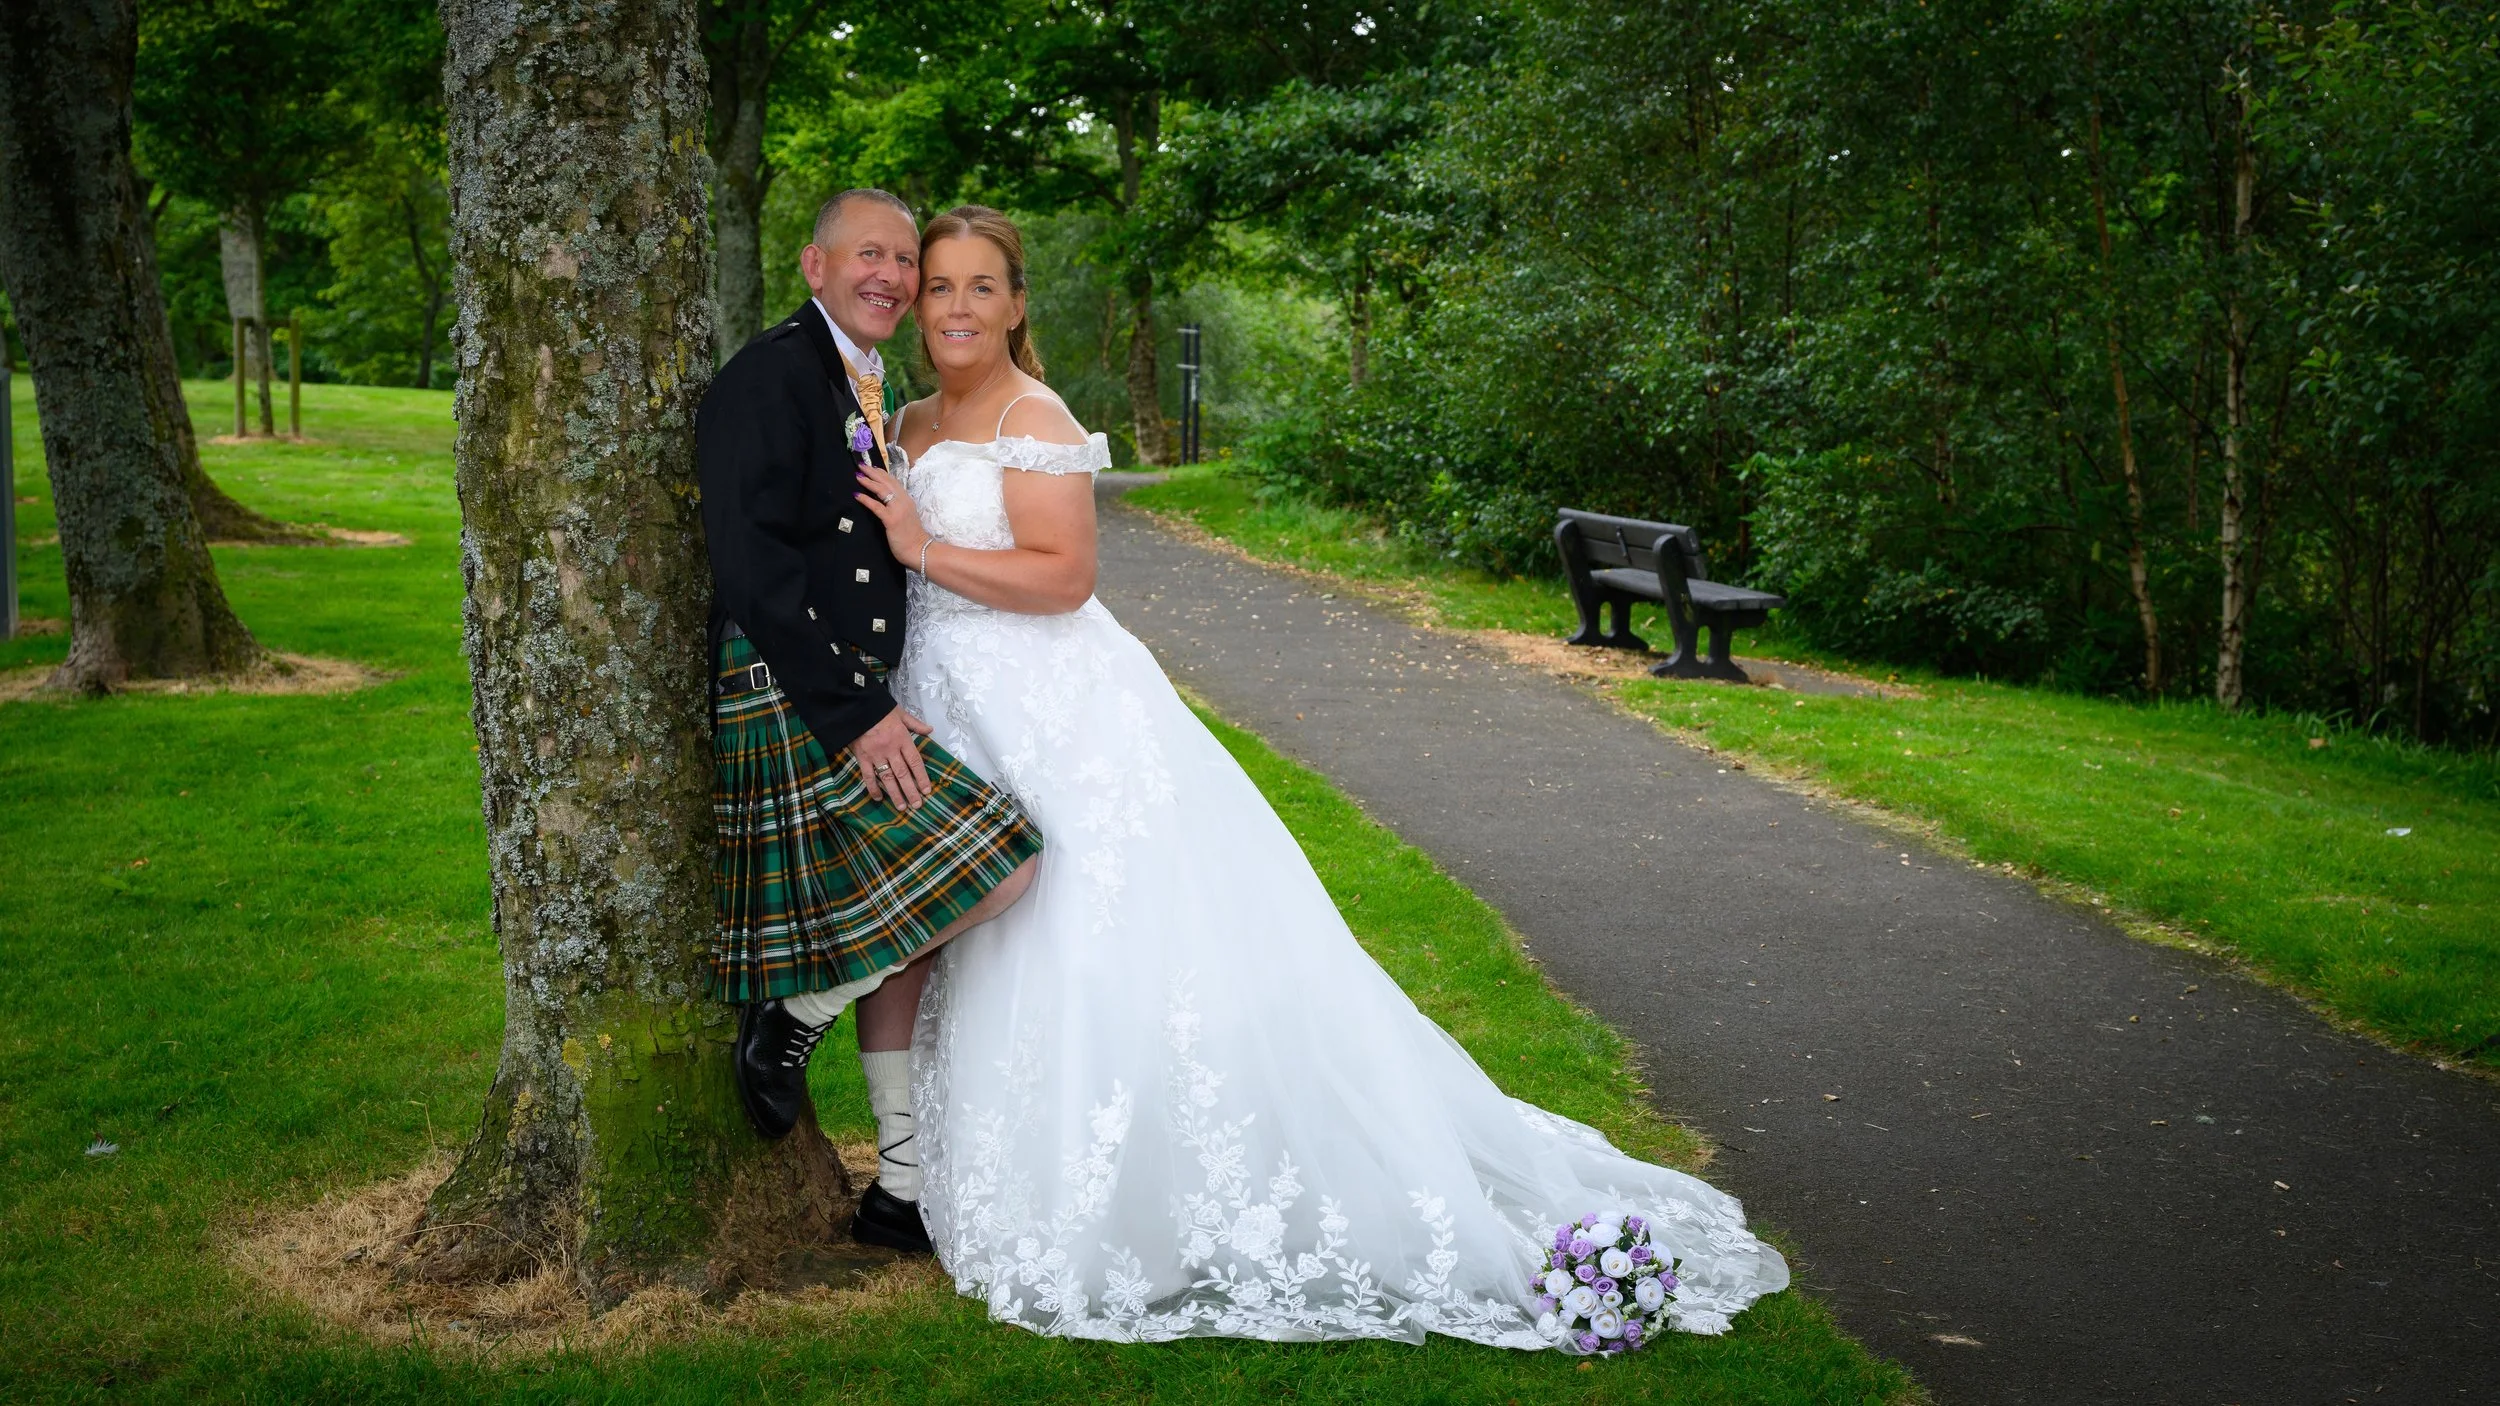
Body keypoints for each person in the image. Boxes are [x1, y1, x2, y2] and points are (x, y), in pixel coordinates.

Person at [848, 205, 1791, 1347]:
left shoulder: (1034, 416)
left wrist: (921, 548)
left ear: (1016, 302)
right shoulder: (904, 414)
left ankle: (1131, 1182)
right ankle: (938, 1167)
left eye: (978, 287)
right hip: (951, 700)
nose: (953, 307)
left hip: (1049, 705)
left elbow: (1061, 578)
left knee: (1084, 934)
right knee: (974, 932)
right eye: (938, 285)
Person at [695, 189, 1041, 1255]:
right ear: (814, 263)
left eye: (907, 260)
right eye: (872, 257)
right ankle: (794, 1012)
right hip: (797, 687)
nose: (892, 275)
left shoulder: (857, 373)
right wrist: (858, 715)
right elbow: (751, 565)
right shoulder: (768, 374)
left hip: (843, 681)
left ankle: (897, 1184)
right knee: (1000, 862)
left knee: (921, 919)